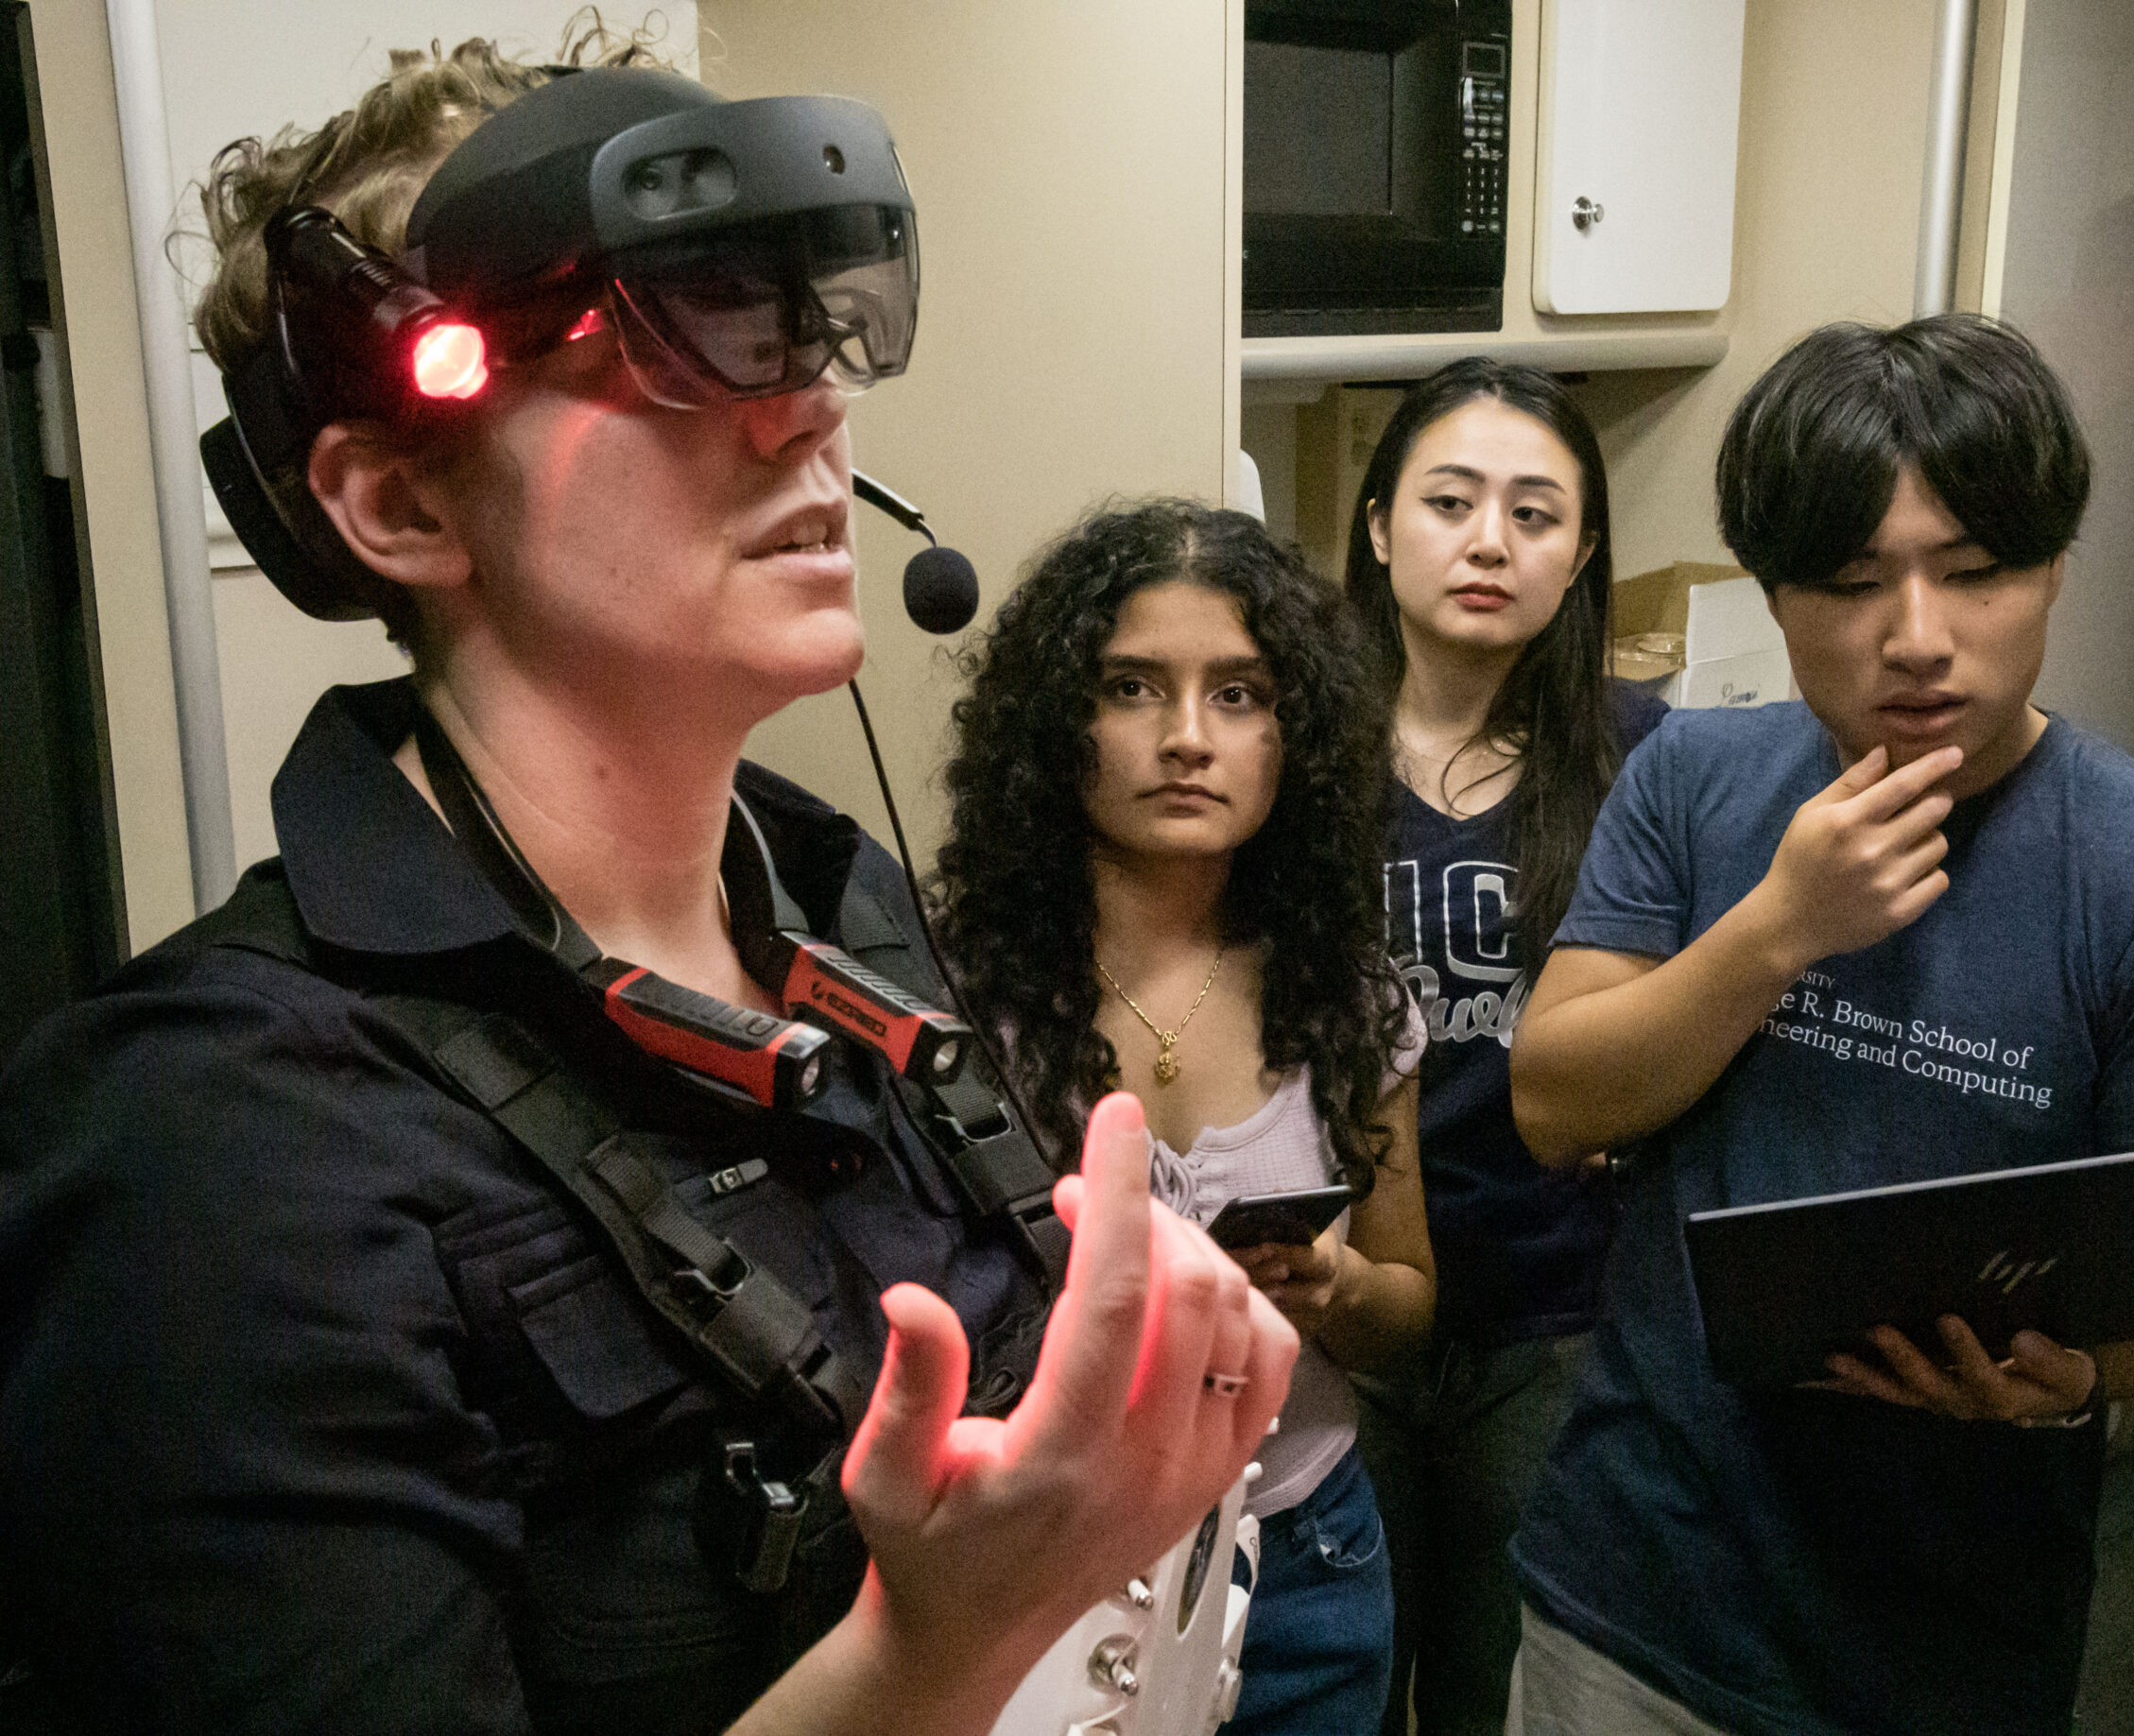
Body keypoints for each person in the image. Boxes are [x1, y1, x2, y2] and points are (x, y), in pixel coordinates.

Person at [0, 38, 1296, 1736]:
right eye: (687, 336)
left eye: (798, 321)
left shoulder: (848, 914)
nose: (813, 402)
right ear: (398, 503)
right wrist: (931, 1649)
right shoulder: (216, 1147)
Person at [1507, 315, 2134, 1736]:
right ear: (1780, 599)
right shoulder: (1693, 781)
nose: (1920, 639)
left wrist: (2077, 1376)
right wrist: (1781, 927)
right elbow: (1555, 1098)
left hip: (1953, 1634)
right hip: (1642, 1583)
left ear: (2050, 575)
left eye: (1977, 573)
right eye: (1853, 584)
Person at [935, 499, 1437, 1736]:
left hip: (1305, 1566)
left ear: (1294, 733)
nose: (1184, 736)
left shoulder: (1347, 995)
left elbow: (1412, 1304)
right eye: (1131, 686)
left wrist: (1334, 1287)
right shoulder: (952, 1003)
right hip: (1047, 1566)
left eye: (1239, 693)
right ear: (1059, 723)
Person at [1336, 357, 1661, 1736]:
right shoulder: (1284, 749)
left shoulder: (1649, 761)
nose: (1488, 540)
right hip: (1337, 1306)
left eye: (1535, 514)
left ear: (1582, 550)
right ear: (1376, 526)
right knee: (1333, 1675)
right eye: (1450, 500)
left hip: (1556, 1312)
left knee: (1498, 1689)